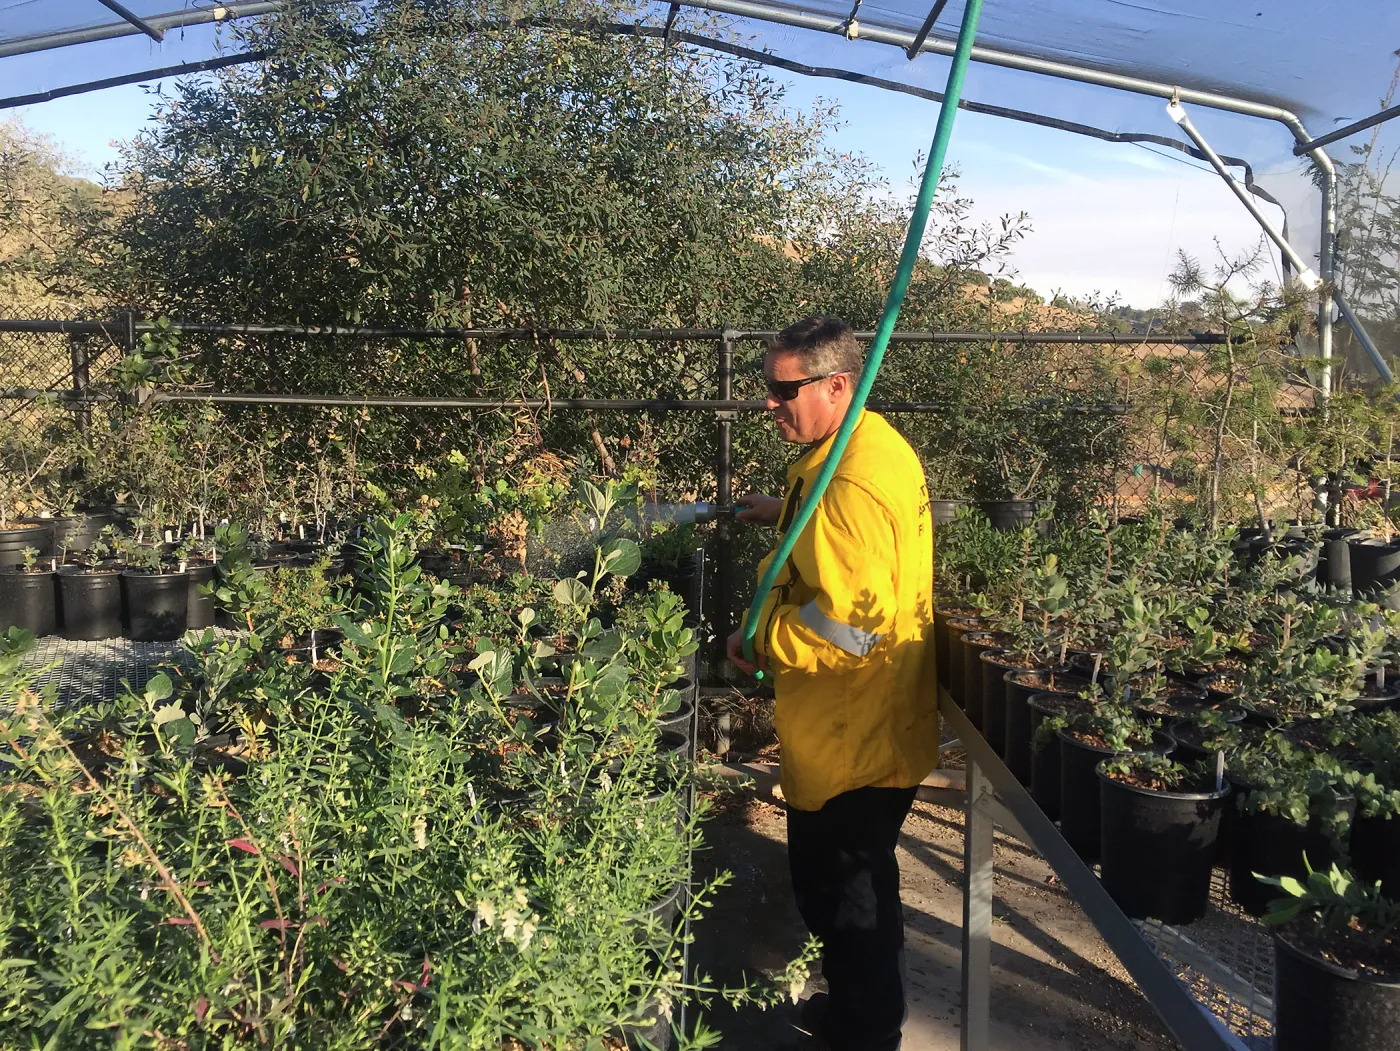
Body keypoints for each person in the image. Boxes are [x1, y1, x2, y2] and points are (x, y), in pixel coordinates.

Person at [725, 316, 938, 1051]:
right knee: (862, 888)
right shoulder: (866, 445)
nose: (770, 404)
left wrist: (756, 638)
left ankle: (867, 1032)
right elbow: (839, 552)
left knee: (844, 899)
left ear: (837, 383)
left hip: (852, 737)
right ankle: (860, 1012)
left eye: (784, 389)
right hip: (878, 720)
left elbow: (847, 628)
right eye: (768, 387)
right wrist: (776, 511)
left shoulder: (848, 482)